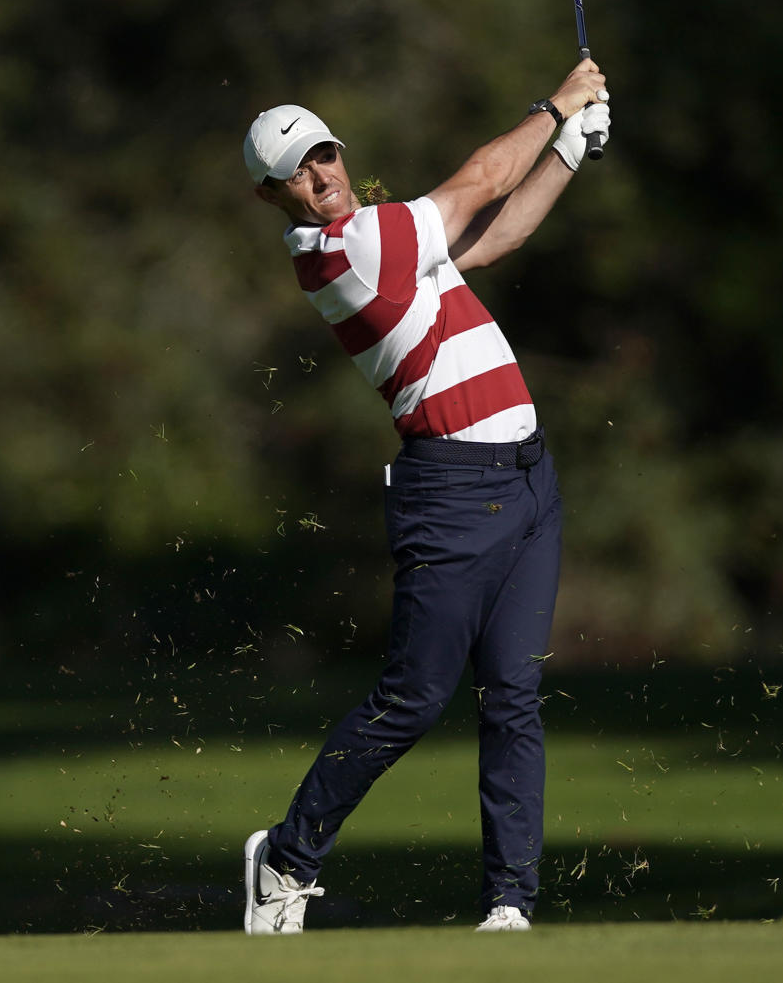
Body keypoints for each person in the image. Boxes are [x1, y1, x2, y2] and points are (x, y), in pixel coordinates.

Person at [241, 58, 610, 934]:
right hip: (451, 493)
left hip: (528, 482)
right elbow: (481, 181)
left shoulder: (389, 235)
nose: (321, 175)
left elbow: (496, 236)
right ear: (272, 196)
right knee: (413, 697)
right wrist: (559, 102)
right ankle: (285, 859)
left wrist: (566, 151)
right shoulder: (347, 252)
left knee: (512, 694)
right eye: (299, 170)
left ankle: (510, 903)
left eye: (325, 153)